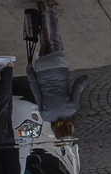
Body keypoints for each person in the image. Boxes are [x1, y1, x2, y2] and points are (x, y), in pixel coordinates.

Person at [25, 2, 88, 132]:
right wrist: (30, 72)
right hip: (42, 70)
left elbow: (78, 84)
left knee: (55, 40)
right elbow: (36, 90)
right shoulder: (45, 115)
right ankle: (42, 15)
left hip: (59, 67)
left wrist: (85, 79)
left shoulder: (72, 109)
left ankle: (52, 9)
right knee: (44, 43)